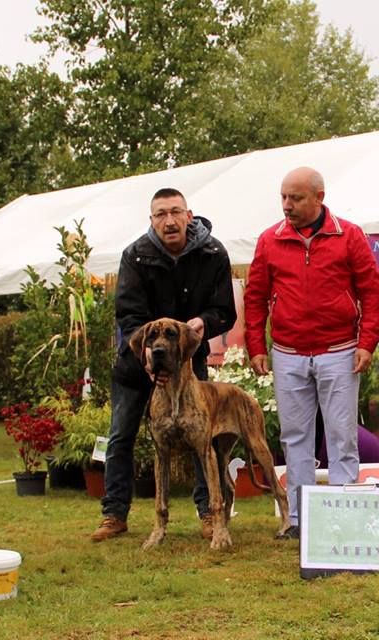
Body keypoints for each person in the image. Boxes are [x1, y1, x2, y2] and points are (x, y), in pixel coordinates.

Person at [245, 167, 379, 540]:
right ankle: (298, 521)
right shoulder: (269, 240)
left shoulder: (349, 236)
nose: (287, 206)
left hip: (340, 351)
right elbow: (255, 297)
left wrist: (367, 342)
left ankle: (342, 516)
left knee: (342, 436)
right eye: (283, 198)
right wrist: (256, 346)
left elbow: (372, 293)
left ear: (319, 197)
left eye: (296, 198)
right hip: (288, 352)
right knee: (295, 438)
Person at [91, 188, 237, 542]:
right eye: (160, 214)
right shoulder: (135, 255)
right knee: (121, 435)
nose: (168, 221)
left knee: (205, 442)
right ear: (151, 220)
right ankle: (115, 514)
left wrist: (204, 322)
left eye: (175, 212)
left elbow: (225, 311)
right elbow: (128, 314)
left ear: (189, 216)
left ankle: (208, 513)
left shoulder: (213, 253)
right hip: (137, 365)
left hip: (187, 367)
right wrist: (144, 351)